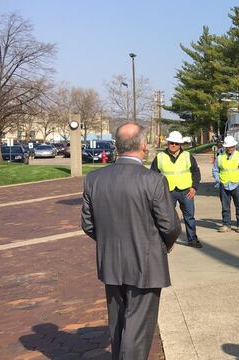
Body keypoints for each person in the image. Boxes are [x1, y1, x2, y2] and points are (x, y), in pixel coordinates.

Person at [81, 122, 181, 360]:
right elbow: (170, 225)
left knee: (117, 325)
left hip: (111, 263)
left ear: (117, 146)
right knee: (137, 329)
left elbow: (88, 224)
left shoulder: (94, 179)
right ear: (144, 146)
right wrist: (161, 246)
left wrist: (108, 243)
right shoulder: (153, 180)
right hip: (145, 264)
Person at [150, 130, 202, 248]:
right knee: (166, 218)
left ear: (180, 144)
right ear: (168, 143)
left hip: (186, 191)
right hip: (167, 192)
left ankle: (192, 239)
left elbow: (195, 172)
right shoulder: (160, 157)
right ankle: (166, 241)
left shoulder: (187, 156)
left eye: (176, 143)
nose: (173, 145)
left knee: (189, 217)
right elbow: (153, 175)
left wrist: (194, 187)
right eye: (171, 143)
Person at [212, 135, 239, 233]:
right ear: (225, 147)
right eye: (228, 147)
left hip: (236, 185)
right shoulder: (220, 157)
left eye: (231, 146)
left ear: (234, 146)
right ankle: (226, 225)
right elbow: (215, 170)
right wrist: (218, 180)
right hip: (224, 185)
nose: (230, 148)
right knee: (225, 207)